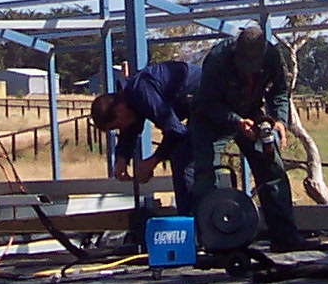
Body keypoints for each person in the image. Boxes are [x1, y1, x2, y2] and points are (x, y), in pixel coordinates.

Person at [189, 24, 304, 250]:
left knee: (272, 168)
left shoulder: (272, 56)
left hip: (250, 113)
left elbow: (279, 92)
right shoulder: (217, 59)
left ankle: (285, 237)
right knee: (205, 173)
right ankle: (209, 240)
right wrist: (236, 121)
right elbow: (207, 103)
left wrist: (278, 120)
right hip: (211, 118)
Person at [90, 59, 200, 209]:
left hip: (208, 99)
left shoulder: (143, 93)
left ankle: (196, 216)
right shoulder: (131, 102)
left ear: (119, 110)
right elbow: (130, 131)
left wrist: (152, 161)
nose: (121, 129)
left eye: (117, 126)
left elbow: (176, 132)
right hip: (192, 105)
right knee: (182, 156)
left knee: (184, 159)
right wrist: (122, 158)